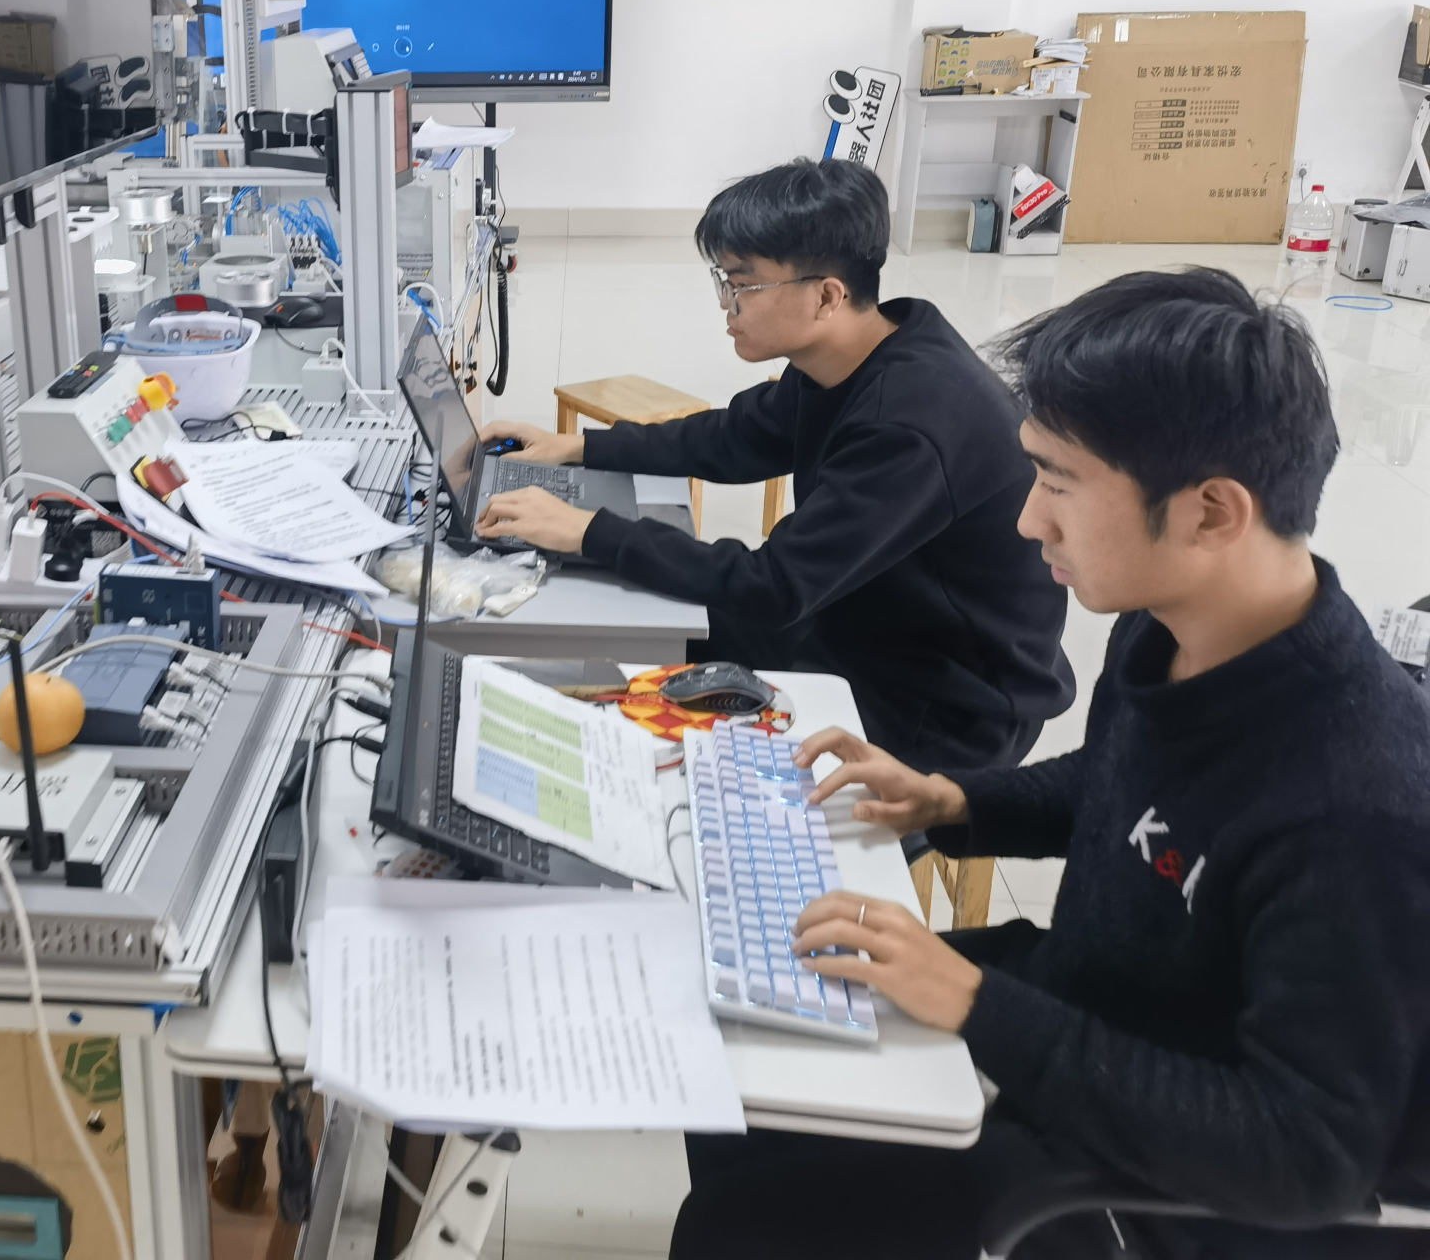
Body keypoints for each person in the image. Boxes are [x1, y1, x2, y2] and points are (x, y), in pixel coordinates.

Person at [670, 268, 1430, 1260]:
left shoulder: (1357, 809)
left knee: (742, 1219)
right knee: (741, 1037)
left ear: (1210, 512)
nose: (1029, 519)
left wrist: (975, 1006)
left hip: (1157, 1177)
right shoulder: (1169, 629)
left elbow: (1306, 1156)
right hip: (1085, 1006)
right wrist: (948, 799)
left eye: (1057, 481)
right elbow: (1115, 787)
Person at [475, 158, 1071, 774]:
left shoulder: (909, 423)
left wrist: (588, 530)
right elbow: (735, 437)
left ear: (826, 296)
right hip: (861, 616)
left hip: (938, 702)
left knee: (654, 681)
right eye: (724, 280)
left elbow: (776, 586)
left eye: (743, 284)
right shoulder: (855, 351)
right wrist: (578, 449)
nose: (726, 304)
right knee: (643, 615)